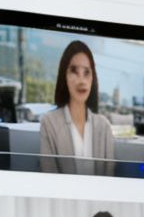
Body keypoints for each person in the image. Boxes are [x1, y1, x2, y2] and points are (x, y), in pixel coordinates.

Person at [37, 40, 118, 174]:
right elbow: (48, 176)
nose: (81, 80)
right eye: (74, 71)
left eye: (87, 72)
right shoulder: (49, 122)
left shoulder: (104, 126)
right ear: (65, 76)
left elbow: (109, 178)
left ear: (93, 78)